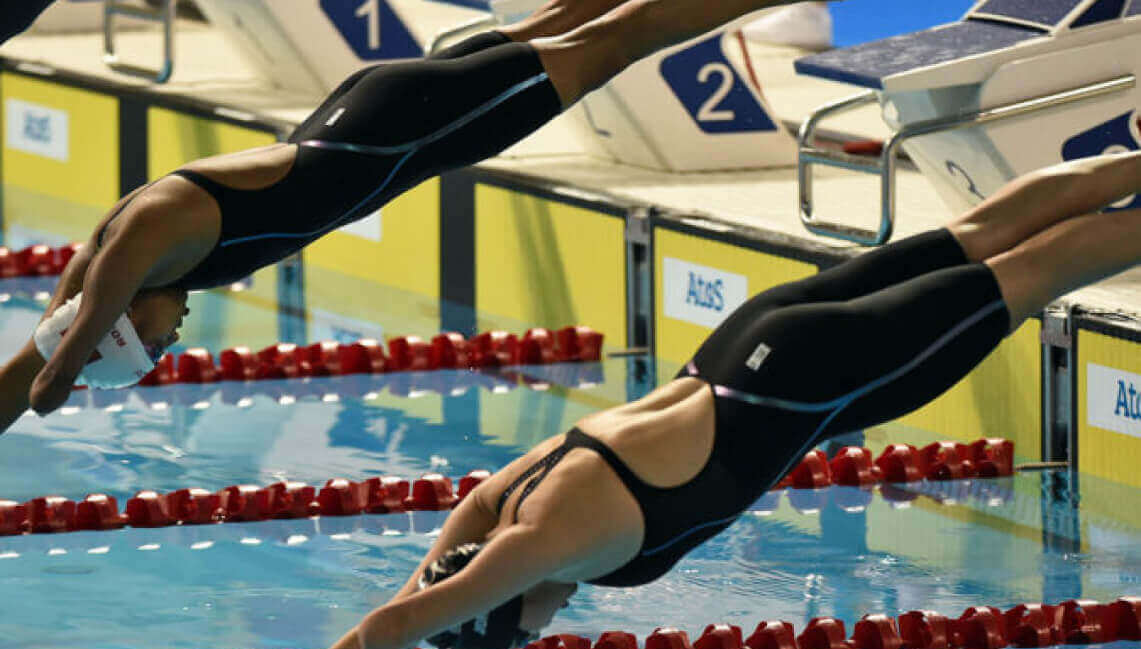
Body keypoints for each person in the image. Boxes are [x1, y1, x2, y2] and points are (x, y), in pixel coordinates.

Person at [193, 149, 1141, 649]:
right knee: (975, 240)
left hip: (805, 383)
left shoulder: (544, 545)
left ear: (501, 596)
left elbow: (399, 622)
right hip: (741, 346)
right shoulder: (500, 499)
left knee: (1030, 274)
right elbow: (428, 582)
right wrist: (437, 595)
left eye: (516, 631)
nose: (543, 627)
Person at [0, 0, 826, 433]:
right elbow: (49, 345)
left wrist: (62, 375)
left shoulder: (140, 249)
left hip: (408, 126)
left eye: (147, 346)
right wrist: (53, 362)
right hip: (390, 116)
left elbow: (66, 347)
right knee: (571, 25)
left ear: (114, 325)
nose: (171, 343)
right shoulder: (115, 270)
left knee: (622, 38)